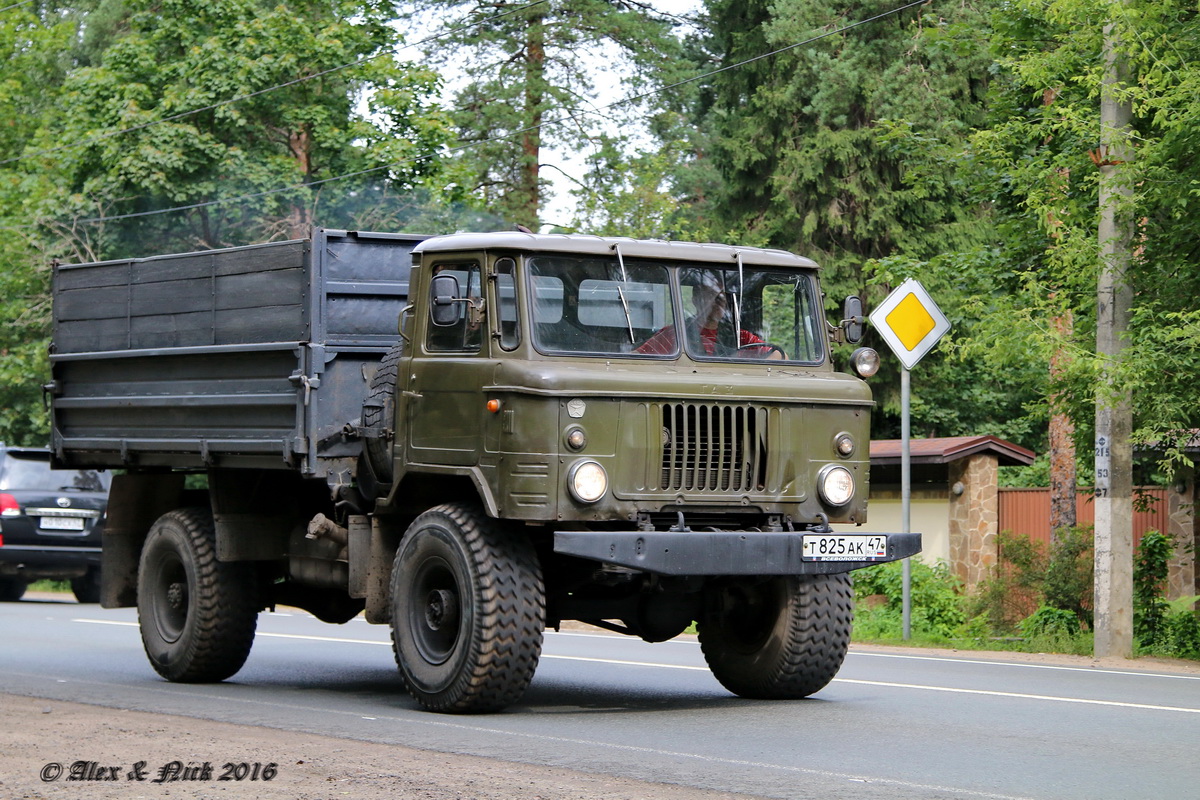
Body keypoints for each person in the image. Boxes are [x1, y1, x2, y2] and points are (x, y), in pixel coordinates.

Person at [636, 276, 781, 358]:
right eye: (711, 295)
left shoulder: (740, 337)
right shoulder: (675, 334)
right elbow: (636, 358)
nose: (718, 301)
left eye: (721, 297)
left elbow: (779, 356)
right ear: (695, 300)